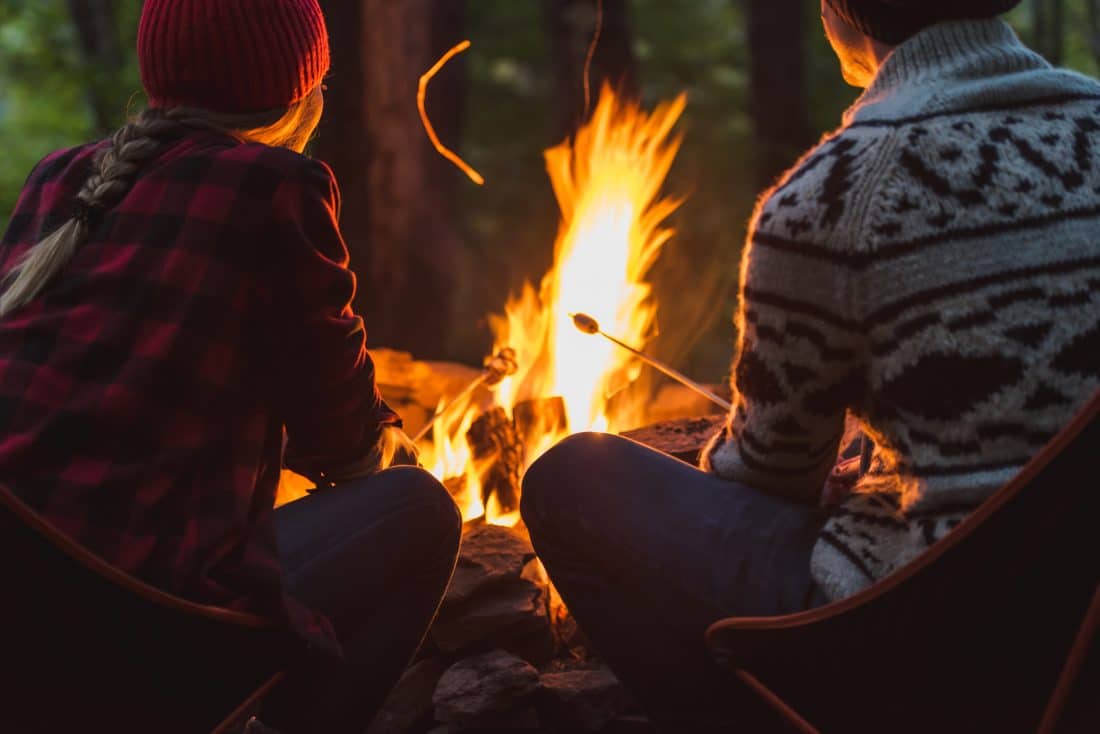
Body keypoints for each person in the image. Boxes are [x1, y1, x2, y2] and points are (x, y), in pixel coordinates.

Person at [521, 0, 1100, 730]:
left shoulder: (832, 194)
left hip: (926, 632)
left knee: (572, 480)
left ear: (839, 11)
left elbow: (769, 476)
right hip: (1082, 627)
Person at [0, 1, 460, 731]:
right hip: (134, 622)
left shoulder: (59, 179)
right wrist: (395, 445)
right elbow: (342, 444)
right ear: (299, 87)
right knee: (421, 512)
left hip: (18, 608)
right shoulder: (277, 185)